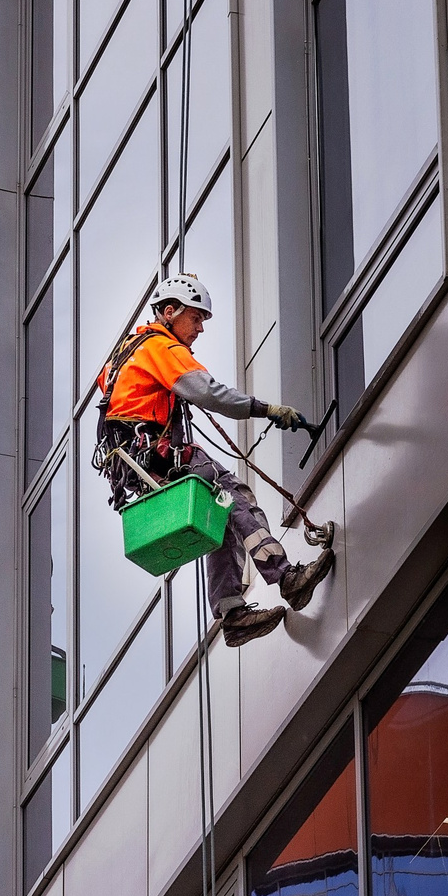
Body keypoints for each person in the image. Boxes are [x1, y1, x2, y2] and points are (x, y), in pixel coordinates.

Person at [94, 274, 332, 646]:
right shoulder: (162, 346)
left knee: (216, 516)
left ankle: (232, 613)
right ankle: (285, 576)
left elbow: (110, 388)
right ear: (169, 312)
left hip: (137, 463)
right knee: (234, 497)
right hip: (161, 453)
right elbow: (207, 392)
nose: (200, 328)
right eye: (196, 318)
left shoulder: (127, 351)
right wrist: (266, 409)